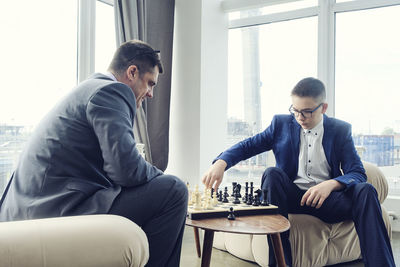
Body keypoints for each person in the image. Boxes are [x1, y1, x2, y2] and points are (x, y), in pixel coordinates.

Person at [0, 40, 188, 267]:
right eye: (150, 83)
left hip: (29, 209)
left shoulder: (90, 88)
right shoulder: (112, 91)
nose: (150, 94)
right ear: (132, 72)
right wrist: (157, 173)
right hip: (54, 210)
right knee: (174, 190)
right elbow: (126, 170)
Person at [202, 77, 395, 267]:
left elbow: (357, 172)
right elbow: (248, 146)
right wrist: (221, 162)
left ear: (323, 108)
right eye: (295, 111)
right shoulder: (281, 124)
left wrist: (331, 184)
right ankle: (279, 263)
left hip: (328, 201)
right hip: (291, 198)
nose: (300, 118)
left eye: (307, 112)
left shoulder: (340, 130)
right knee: (272, 174)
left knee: (366, 191)